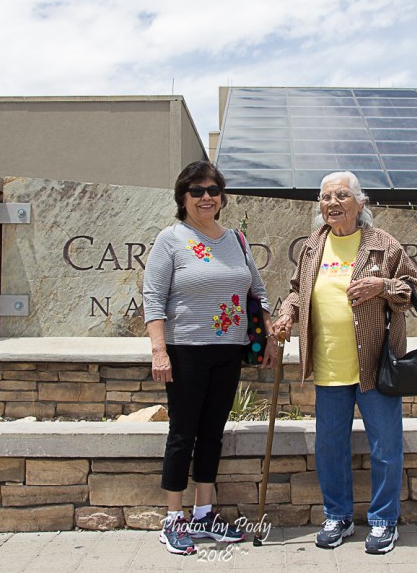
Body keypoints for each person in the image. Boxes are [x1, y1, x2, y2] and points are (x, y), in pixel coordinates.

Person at [271, 171, 417, 555]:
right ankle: (336, 516)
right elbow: (295, 291)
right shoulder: (312, 247)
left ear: (360, 202)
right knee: (329, 447)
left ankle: (384, 522)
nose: (332, 204)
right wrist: (287, 314)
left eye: (341, 196)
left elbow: (413, 288)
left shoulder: (382, 245)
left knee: (385, 447)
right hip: (329, 365)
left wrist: (382, 286)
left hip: (375, 365)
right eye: (325, 198)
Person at [142, 160, 279, 555]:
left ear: (222, 196)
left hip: (229, 349)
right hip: (185, 350)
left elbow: (258, 291)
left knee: (213, 434)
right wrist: (159, 350)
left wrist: (269, 336)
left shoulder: (236, 239)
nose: (207, 197)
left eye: (213, 190)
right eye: (197, 191)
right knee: (183, 434)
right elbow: (153, 299)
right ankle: (173, 520)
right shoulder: (171, 239)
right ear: (183, 198)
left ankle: (204, 512)